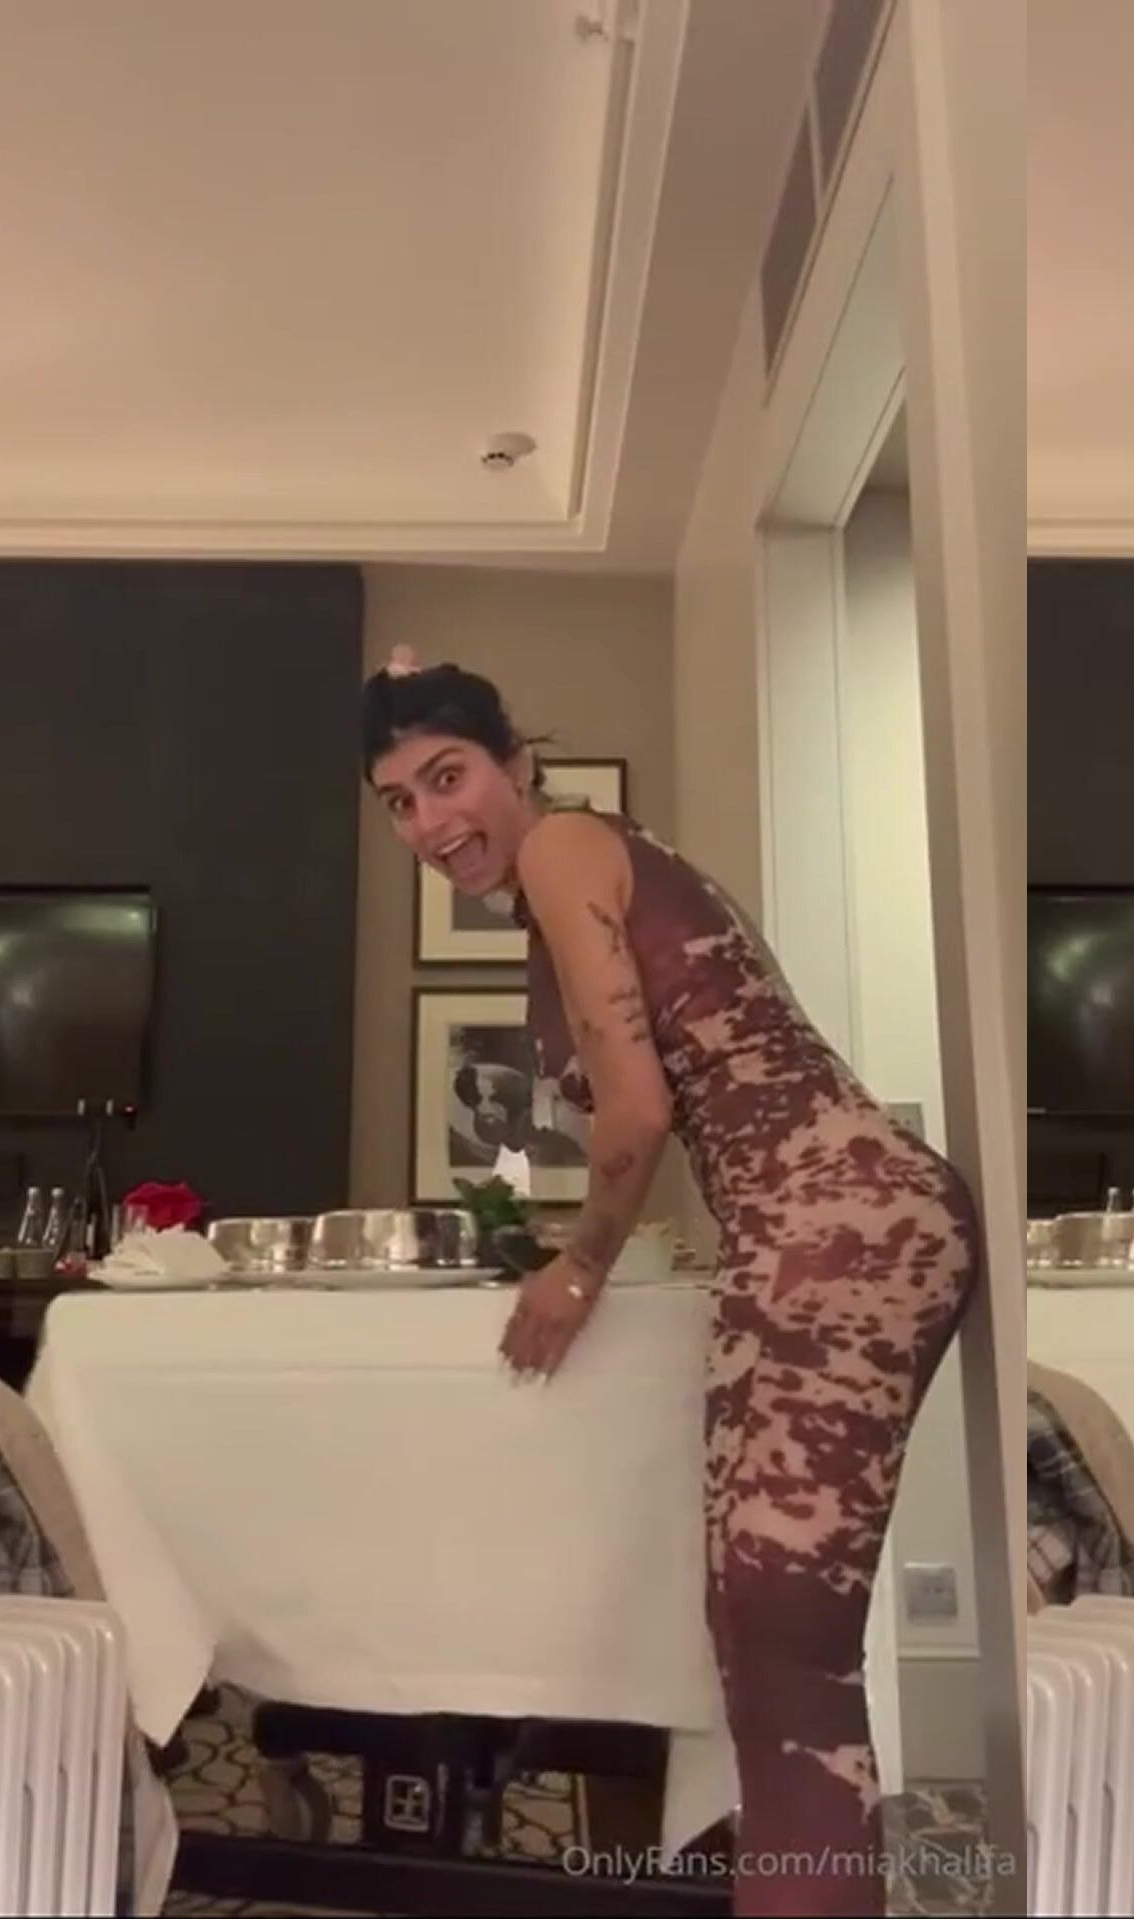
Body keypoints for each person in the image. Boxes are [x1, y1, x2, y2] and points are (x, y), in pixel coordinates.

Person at [363, 650, 976, 1918]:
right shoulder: (589, 862)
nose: (428, 821)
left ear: (518, 764)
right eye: (399, 802)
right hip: (833, 1216)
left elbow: (635, 1108)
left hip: (835, 1221)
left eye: (448, 777)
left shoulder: (562, 847)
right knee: (771, 1648)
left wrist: (580, 1264)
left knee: (784, 1656)